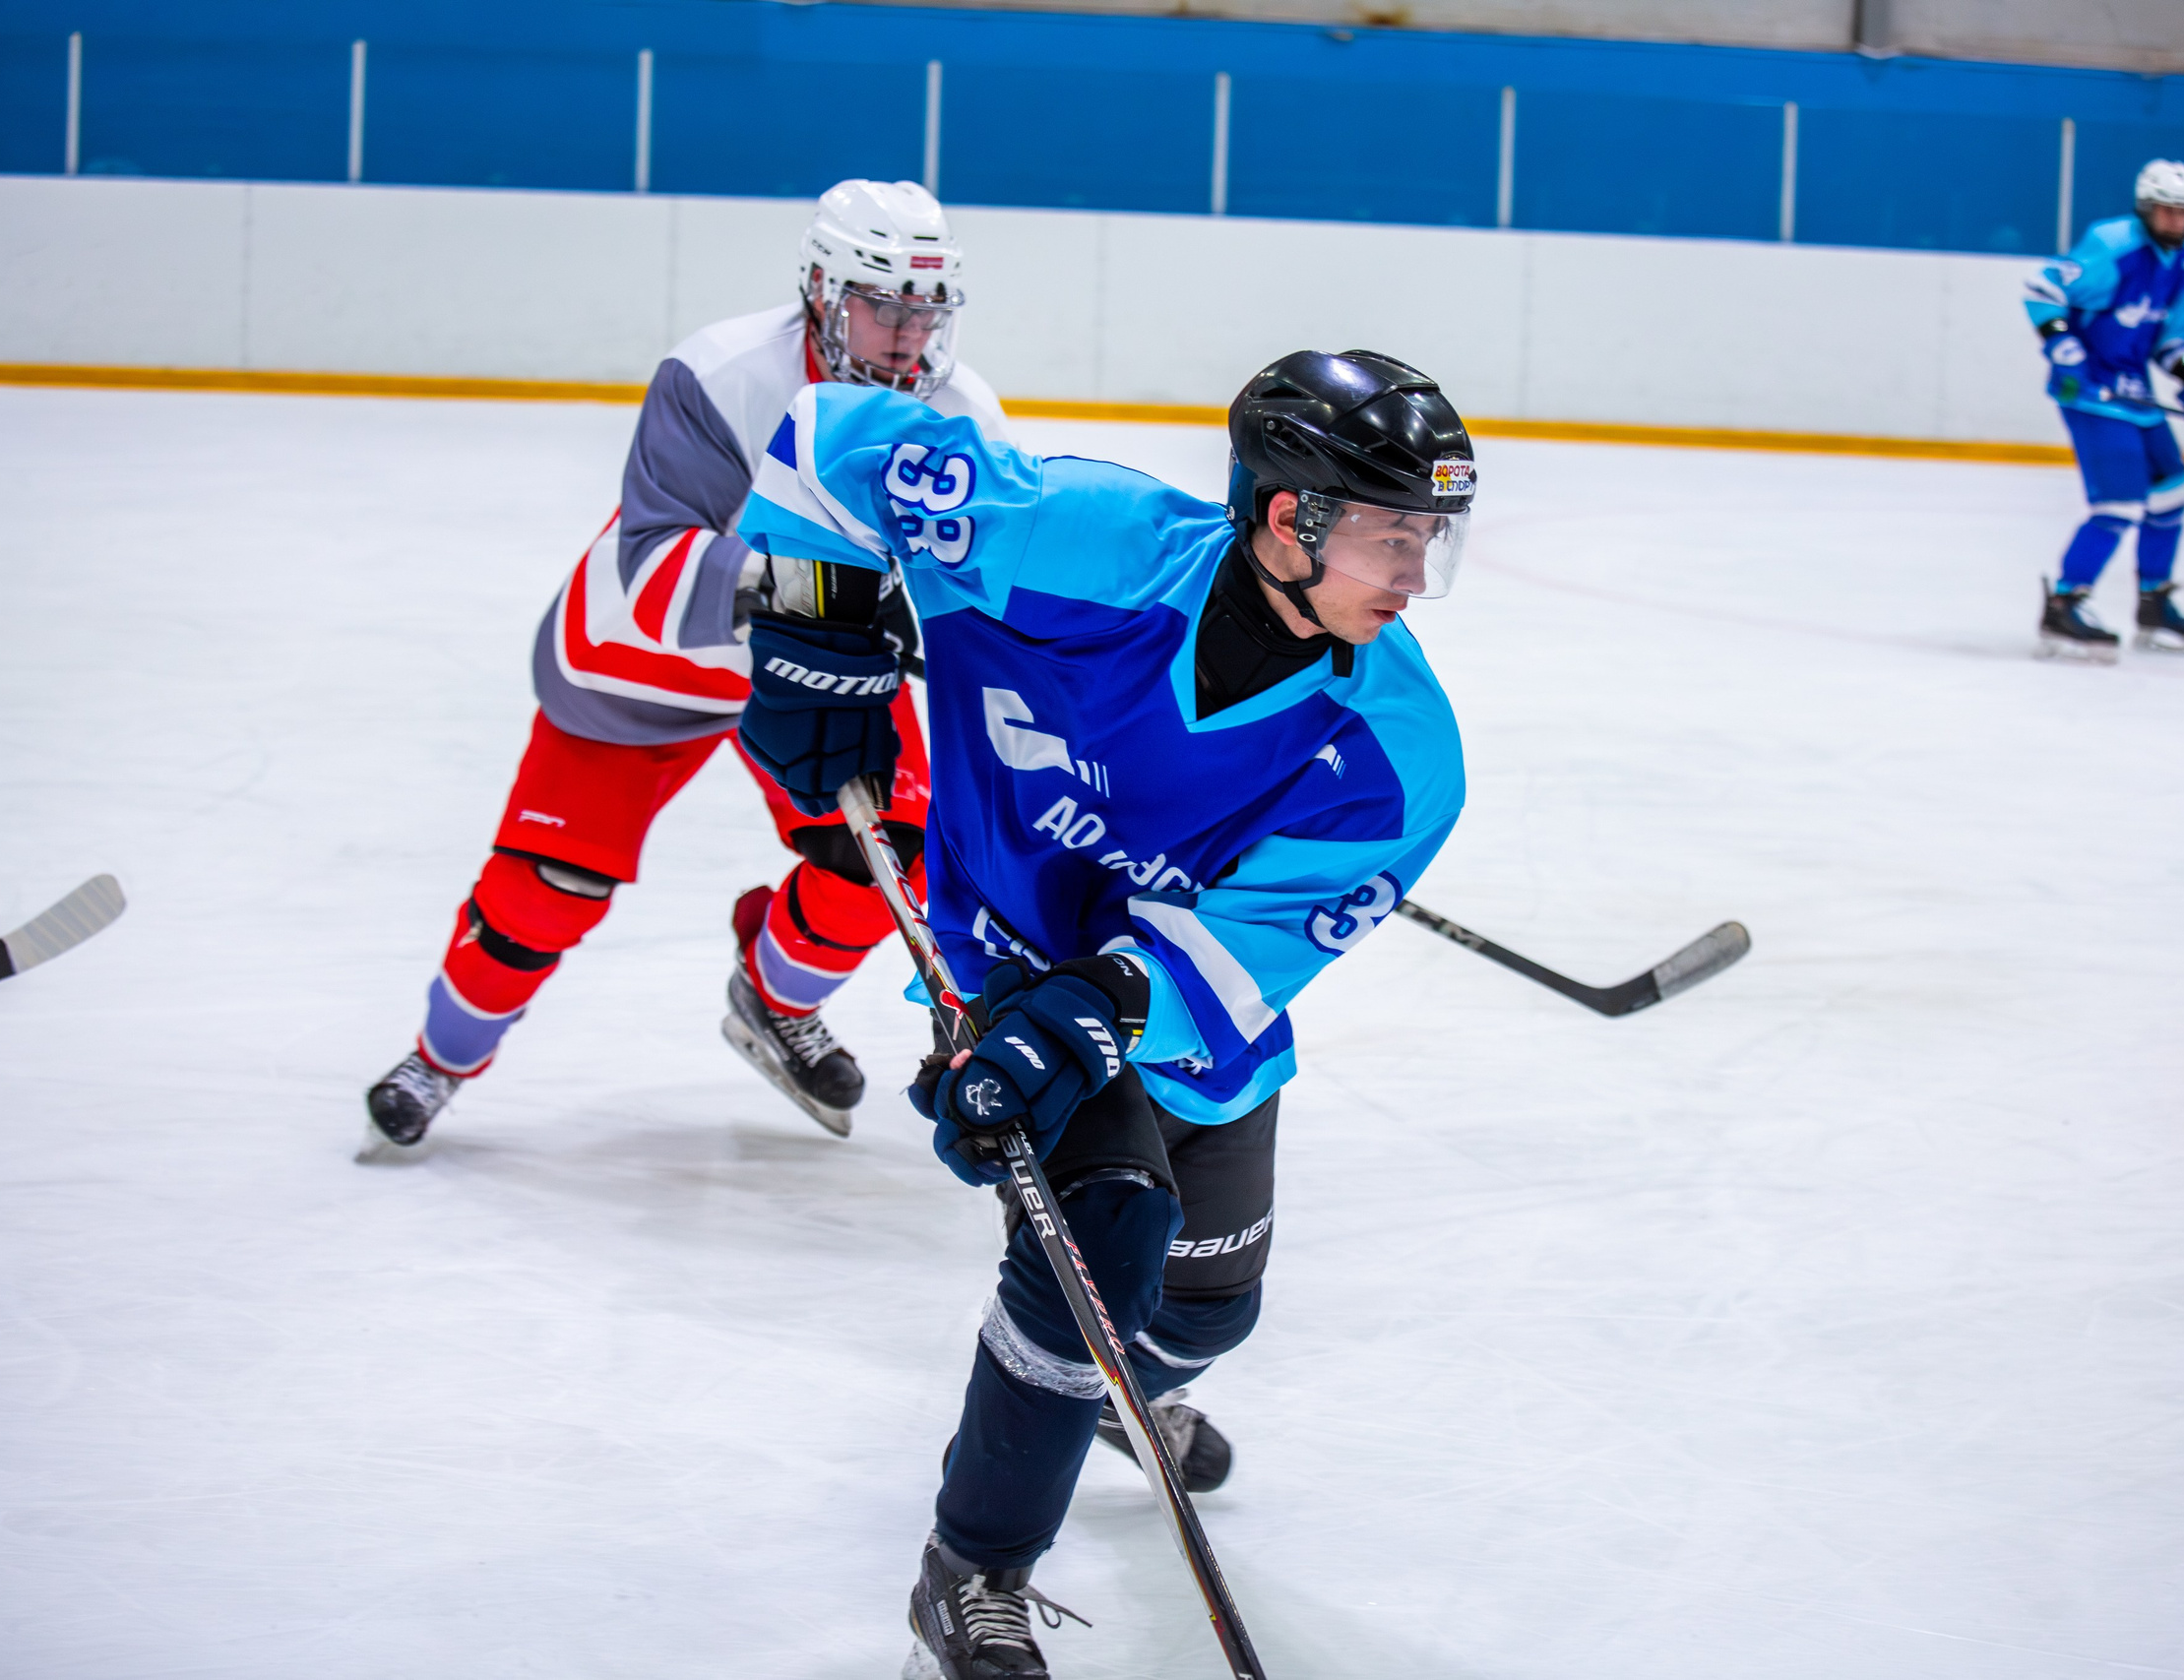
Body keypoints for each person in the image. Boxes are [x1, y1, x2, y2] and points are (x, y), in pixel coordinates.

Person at [734, 348, 1474, 1677]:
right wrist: (814, 620)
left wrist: (1097, 1008)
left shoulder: (1402, 752)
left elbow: (1230, 966)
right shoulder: (1073, 538)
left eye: (1431, 540)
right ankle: (974, 1576)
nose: (1415, 576)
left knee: (1205, 1311)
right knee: (1104, 1231)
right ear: (1285, 515)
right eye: (1388, 535)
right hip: (1002, 944)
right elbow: (827, 436)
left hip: (1183, 1025)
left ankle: (1129, 1386)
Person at [363, 180, 1009, 1150]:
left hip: (814, 669)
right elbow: (654, 554)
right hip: (651, 655)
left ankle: (774, 997)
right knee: (548, 888)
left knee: (895, 862)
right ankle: (440, 1057)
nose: (909, 337)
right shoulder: (720, 376)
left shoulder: (961, 414)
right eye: (885, 308)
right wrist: (828, 595)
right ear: (823, 292)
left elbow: (990, 585)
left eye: (927, 311)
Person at [2025, 158, 2184, 660]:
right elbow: (2043, 290)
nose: (2177, 224)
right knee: (2118, 503)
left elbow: (2172, 335)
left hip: (2135, 394)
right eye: (2168, 213)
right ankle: (2065, 604)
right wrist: (2066, 354)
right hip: (2092, 395)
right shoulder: (2113, 245)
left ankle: (2153, 602)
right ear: (2146, 209)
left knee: (2172, 494)